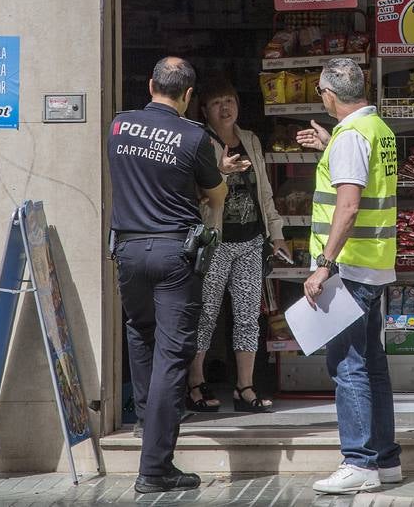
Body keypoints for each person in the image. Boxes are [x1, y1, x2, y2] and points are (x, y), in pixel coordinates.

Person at [107, 57, 227, 494]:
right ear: (189, 95)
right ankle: (155, 467)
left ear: (151, 83)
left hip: (129, 250)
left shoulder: (118, 127)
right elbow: (215, 192)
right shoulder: (194, 136)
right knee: (172, 356)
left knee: (141, 335)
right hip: (175, 252)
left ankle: (146, 430)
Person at [295, 57, 404, 493]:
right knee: (373, 364)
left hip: (349, 269)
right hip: (373, 264)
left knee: (348, 365)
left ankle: (358, 462)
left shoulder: (351, 136)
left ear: (328, 94)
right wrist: (330, 145)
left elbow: (349, 205)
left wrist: (325, 264)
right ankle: (385, 459)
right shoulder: (377, 130)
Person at [187, 77, 292, 413]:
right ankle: (195, 383)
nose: (225, 107)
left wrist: (276, 233)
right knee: (206, 315)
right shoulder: (199, 140)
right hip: (216, 242)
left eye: (230, 100)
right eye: (217, 102)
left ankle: (244, 387)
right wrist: (222, 171)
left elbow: (264, 192)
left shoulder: (250, 139)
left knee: (248, 316)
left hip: (250, 241)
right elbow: (194, 194)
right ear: (204, 110)